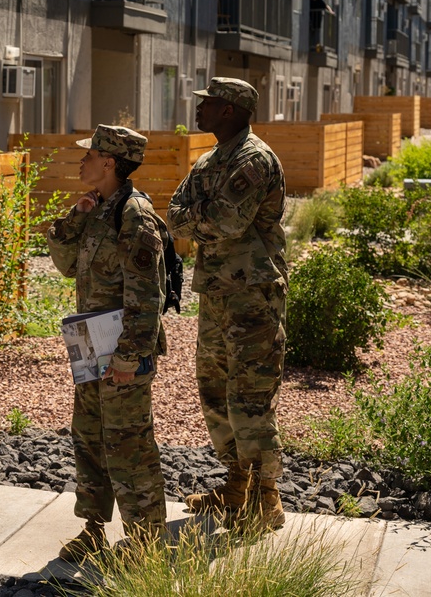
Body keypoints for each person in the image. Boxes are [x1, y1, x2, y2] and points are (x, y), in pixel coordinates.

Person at [167, 77, 287, 531]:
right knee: (215, 390)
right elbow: (175, 212)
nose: (200, 109)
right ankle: (236, 485)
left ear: (232, 111)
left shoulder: (253, 159)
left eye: (209, 103)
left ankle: (265, 496)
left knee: (251, 397)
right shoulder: (208, 159)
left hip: (253, 294)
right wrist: (200, 217)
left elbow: (227, 221)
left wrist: (197, 217)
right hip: (217, 291)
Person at [47, 125, 167, 562]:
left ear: (110, 163)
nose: (82, 161)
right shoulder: (98, 209)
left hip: (120, 348)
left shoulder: (134, 215)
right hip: (89, 341)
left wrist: (130, 356)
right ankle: (94, 529)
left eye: (90, 154)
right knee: (91, 439)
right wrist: (78, 213)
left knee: (129, 443)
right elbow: (61, 262)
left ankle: (146, 543)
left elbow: (146, 294)